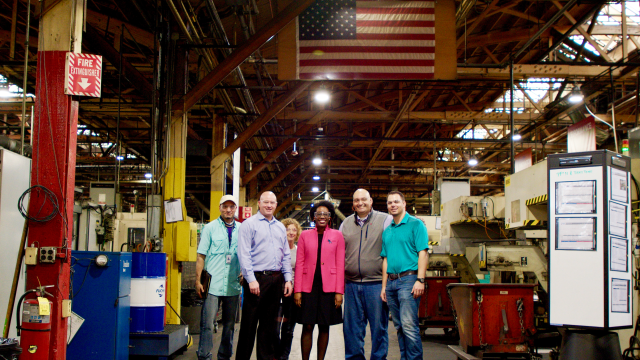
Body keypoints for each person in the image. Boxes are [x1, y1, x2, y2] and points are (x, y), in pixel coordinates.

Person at [236, 191, 293, 360]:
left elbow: (286, 255)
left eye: (272, 202)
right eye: (265, 202)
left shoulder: (280, 227)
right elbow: (243, 254)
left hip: (276, 280)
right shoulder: (249, 224)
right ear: (259, 203)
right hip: (256, 280)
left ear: (276, 205)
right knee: (249, 325)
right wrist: (251, 279)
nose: (269, 205)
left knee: (269, 327)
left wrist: (288, 279)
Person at [339, 189, 393, 360]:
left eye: (364, 199)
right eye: (356, 200)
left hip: (376, 284)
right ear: (353, 204)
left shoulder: (385, 220)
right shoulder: (345, 224)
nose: (360, 203)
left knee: (379, 328)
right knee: (352, 329)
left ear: (371, 201)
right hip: (351, 284)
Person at [380, 191, 429, 360]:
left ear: (404, 204)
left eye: (396, 202)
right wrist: (384, 286)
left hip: (409, 280)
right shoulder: (387, 231)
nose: (392, 205)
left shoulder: (416, 225)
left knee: (409, 326)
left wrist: (420, 280)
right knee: (400, 327)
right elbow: (385, 260)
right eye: (389, 203)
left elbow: (423, 253)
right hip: (392, 283)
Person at [294, 201, 345, 360]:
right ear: (313, 217)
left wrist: (339, 291)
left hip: (328, 288)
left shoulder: (337, 235)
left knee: (324, 326)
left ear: (330, 217)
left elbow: (340, 263)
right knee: (307, 326)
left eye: (325, 214)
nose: (322, 217)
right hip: (308, 287)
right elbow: (299, 263)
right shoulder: (304, 235)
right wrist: (298, 290)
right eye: (318, 214)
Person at [195, 195, 242, 360]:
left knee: (229, 326)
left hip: (233, 284)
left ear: (236, 208)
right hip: (212, 285)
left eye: (231, 207)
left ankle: (224, 356)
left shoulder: (242, 229)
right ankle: (204, 355)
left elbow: (246, 255)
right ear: (220, 208)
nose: (228, 210)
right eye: (225, 207)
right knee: (207, 324)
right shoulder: (210, 228)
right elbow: (201, 256)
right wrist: (197, 280)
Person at [276, 218, 302, 360]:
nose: (291, 232)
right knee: (274, 328)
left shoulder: (299, 251)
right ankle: (276, 353)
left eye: (294, 230)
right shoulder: (276, 249)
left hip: (292, 294)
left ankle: (283, 356)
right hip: (276, 292)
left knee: (288, 329)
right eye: (288, 229)